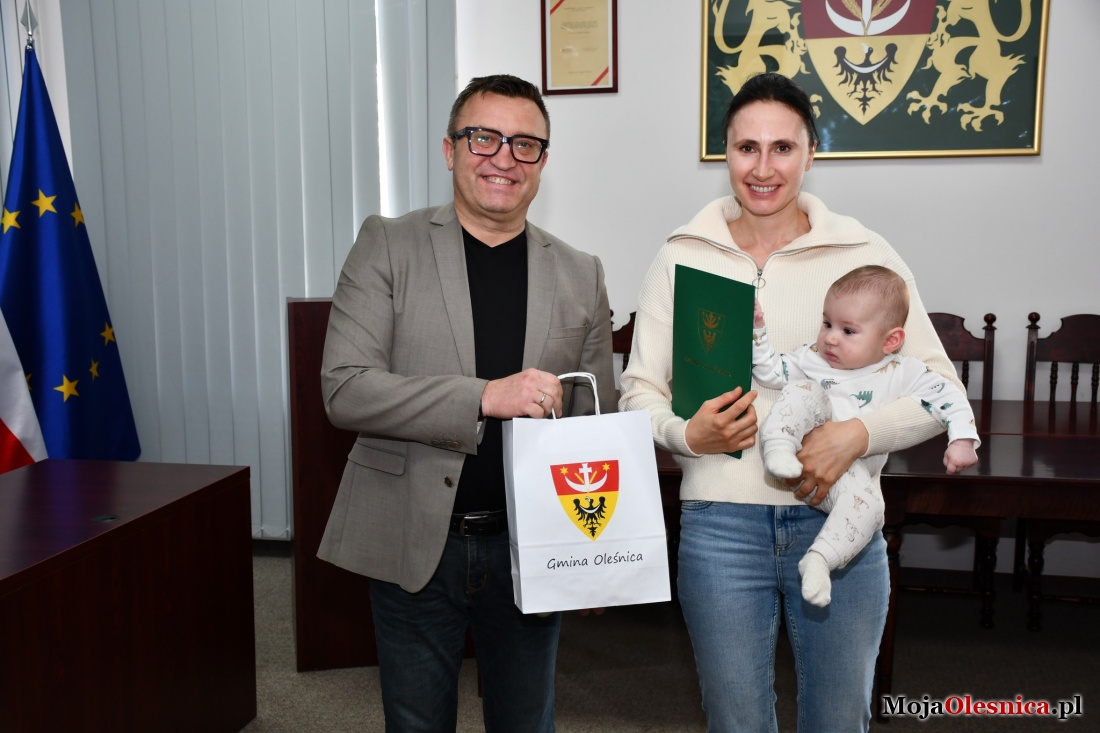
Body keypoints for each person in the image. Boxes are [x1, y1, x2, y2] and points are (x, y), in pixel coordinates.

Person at [618, 72, 962, 731]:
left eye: (783, 147)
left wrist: (857, 435)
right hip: (720, 524)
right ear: (725, 152)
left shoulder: (865, 252)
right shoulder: (682, 255)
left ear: (811, 153)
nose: (763, 167)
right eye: (747, 147)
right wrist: (687, 435)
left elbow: (939, 390)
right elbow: (639, 391)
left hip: (841, 523)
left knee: (839, 718)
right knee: (735, 719)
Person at [318, 73, 616, 732]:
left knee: (527, 721)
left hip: (531, 546)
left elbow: (591, 424)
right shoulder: (387, 244)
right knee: (417, 721)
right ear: (450, 149)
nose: (504, 157)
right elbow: (345, 387)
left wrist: (592, 555)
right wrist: (483, 395)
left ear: (542, 161)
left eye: (525, 144)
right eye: (484, 138)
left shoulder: (581, 271)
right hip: (415, 536)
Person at [753, 265, 979, 607]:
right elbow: (771, 372)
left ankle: (820, 561)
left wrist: (962, 439)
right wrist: (757, 331)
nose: (831, 338)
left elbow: (949, 396)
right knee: (801, 390)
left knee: (872, 507)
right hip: (798, 453)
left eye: (848, 330)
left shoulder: (902, 371)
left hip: (849, 476)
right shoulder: (812, 358)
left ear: (890, 341)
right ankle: (778, 449)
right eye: (827, 324)